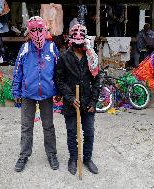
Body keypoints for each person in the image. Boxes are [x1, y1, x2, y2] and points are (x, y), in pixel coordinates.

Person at [12, 16, 59, 172]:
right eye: (33, 30)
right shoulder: (25, 48)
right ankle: (23, 155)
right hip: (28, 93)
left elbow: (58, 71)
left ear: (45, 29)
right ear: (29, 31)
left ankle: (52, 154)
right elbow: (18, 70)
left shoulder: (52, 47)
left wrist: (58, 90)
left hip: (47, 93)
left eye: (40, 29)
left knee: (48, 126)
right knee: (26, 126)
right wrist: (16, 90)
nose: (37, 33)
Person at [55, 24, 100, 175]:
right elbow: (59, 80)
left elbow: (97, 81)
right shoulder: (64, 57)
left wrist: (93, 102)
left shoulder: (91, 56)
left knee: (89, 132)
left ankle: (87, 159)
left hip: (88, 102)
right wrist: (70, 97)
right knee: (71, 132)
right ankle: (73, 158)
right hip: (70, 102)